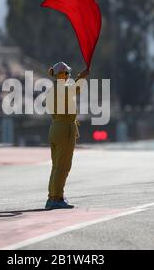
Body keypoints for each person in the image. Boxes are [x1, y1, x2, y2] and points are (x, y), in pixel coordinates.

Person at [45, 61, 90, 209]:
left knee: (56, 166)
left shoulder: (53, 89)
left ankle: (53, 196)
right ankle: (56, 198)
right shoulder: (61, 88)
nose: (69, 75)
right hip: (64, 129)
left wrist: (80, 78)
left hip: (55, 127)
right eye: (68, 73)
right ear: (63, 75)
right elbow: (74, 90)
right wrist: (82, 77)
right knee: (63, 166)